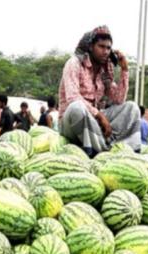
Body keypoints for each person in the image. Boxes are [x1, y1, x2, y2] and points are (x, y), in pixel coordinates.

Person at [58, 25, 140, 156]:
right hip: (71, 122)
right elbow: (72, 97)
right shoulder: (74, 63)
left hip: (93, 122)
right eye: (101, 46)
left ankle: (127, 150)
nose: (106, 51)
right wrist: (99, 115)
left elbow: (119, 99)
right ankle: (99, 152)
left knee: (132, 108)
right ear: (91, 47)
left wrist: (124, 70)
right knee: (77, 107)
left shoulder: (105, 71)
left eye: (108, 48)